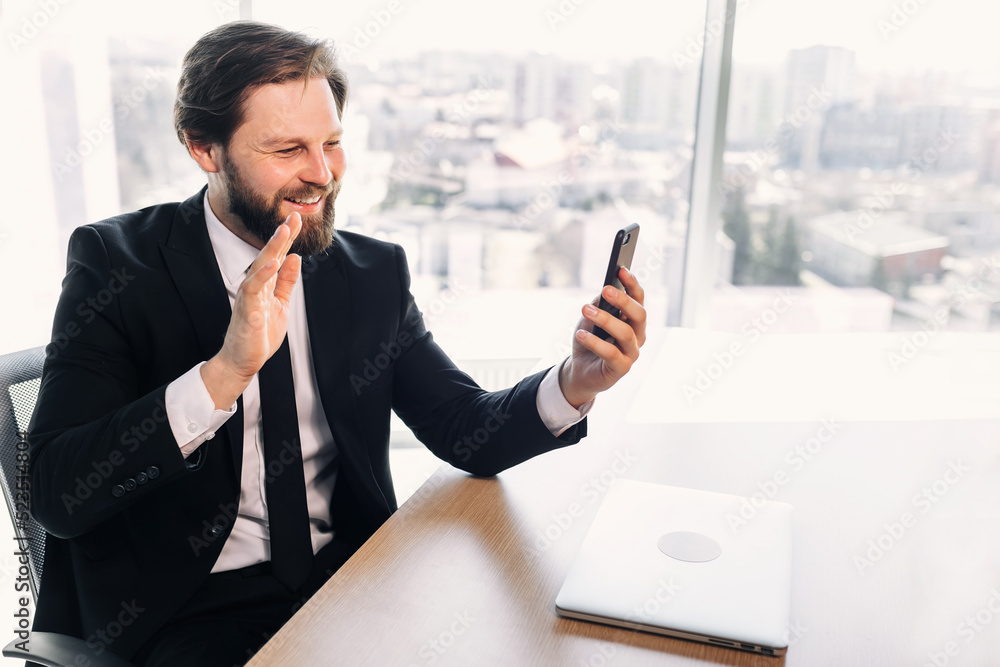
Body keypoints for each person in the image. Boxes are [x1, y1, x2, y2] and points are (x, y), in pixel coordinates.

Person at [27, 20, 646, 667]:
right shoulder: (116, 266)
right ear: (204, 148)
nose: (322, 174)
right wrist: (223, 375)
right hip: (185, 607)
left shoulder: (367, 272)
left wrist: (576, 381)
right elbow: (58, 493)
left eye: (332, 143)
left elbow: (466, 429)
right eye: (289, 149)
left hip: (349, 577)